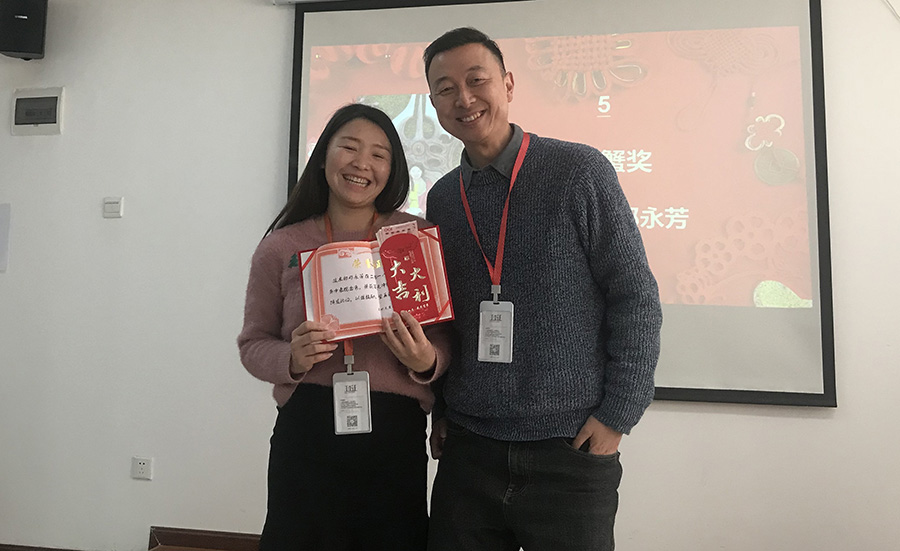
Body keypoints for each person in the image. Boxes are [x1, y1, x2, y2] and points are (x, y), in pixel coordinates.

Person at [422, 28, 663, 551]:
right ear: (434, 103)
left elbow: (635, 295)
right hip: (469, 449)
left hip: (569, 448)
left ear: (508, 84)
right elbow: (447, 319)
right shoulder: (442, 199)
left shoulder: (578, 171)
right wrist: (441, 410)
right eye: (445, 88)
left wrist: (617, 415)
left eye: (476, 80)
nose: (463, 98)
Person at [237, 103, 451, 551]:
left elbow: (446, 337)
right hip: (307, 428)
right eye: (349, 147)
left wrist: (426, 360)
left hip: (394, 432)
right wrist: (290, 358)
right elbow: (253, 343)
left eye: (378, 154)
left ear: (392, 170)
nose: (361, 164)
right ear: (323, 156)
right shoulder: (281, 246)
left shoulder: (414, 238)